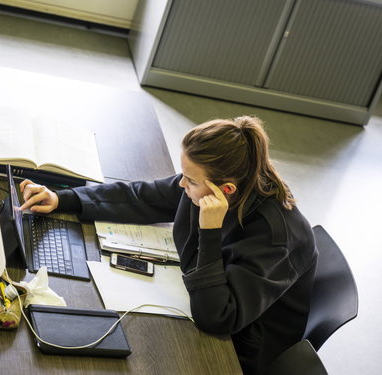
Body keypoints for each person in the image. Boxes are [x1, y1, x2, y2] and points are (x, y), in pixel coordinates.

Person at [19, 116, 318, 375]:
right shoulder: (221, 184)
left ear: (225, 190)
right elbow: (144, 197)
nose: (180, 185)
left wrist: (209, 231)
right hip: (199, 295)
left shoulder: (276, 238)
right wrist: (65, 198)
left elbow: (217, 318)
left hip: (235, 351)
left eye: (189, 180)